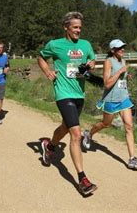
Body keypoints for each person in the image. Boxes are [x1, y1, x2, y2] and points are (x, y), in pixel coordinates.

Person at [38, 11, 97, 196]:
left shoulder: (85, 44)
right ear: (66, 28)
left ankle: (49, 147)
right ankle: (82, 179)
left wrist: (91, 63)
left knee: (66, 127)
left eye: (80, 27)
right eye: (75, 27)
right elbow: (40, 57)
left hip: (79, 93)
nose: (78, 30)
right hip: (63, 93)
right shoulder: (55, 45)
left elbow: (92, 58)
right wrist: (47, 71)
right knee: (76, 134)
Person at [82, 39, 137, 170]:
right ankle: (89, 133)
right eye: (119, 48)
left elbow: (120, 76)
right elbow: (107, 83)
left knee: (129, 126)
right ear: (112, 50)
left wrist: (127, 75)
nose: (122, 49)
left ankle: (132, 159)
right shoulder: (108, 62)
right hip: (111, 99)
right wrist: (120, 72)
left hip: (124, 98)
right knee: (106, 124)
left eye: (123, 47)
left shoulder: (123, 60)